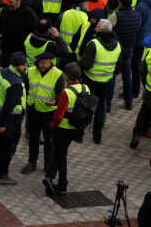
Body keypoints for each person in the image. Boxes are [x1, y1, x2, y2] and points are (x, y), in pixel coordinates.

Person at [0, 52, 28, 185]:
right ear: (16, 66)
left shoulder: (2, 72)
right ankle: (2, 174)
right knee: (8, 148)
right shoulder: (15, 84)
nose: (25, 67)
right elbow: (9, 106)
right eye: (23, 65)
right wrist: (3, 124)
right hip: (11, 121)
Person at [46, 62, 86, 196]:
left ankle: (62, 184)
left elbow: (59, 114)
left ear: (67, 77)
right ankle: (50, 176)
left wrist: (53, 125)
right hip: (76, 128)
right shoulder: (86, 88)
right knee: (60, 152)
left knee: (60, 155)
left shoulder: (66, 92)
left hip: (62, 128)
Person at [79, 19, 121, 144]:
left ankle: (80, 133)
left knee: (86, 106)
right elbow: (119, 65)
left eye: (97, 27)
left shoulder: (94, 44)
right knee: (100, 108)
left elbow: (86, 64)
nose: (95, 28)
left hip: (90, 80)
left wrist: (78, 64)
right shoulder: (118, 45)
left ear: (102, 30)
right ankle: (97, 136)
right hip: (106, 81)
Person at [22, 51, 63, 176]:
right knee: (33, 138)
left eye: (44, 62)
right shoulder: (31, 71)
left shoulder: (58, 74)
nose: (41, 65)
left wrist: (55, 101)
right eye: (40, 62)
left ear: (51, 61)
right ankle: (32, 162)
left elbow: (61, 93)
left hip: (48, 113)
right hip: (33, 110)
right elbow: (25, 87)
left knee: (49, 140)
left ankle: (48, 165)